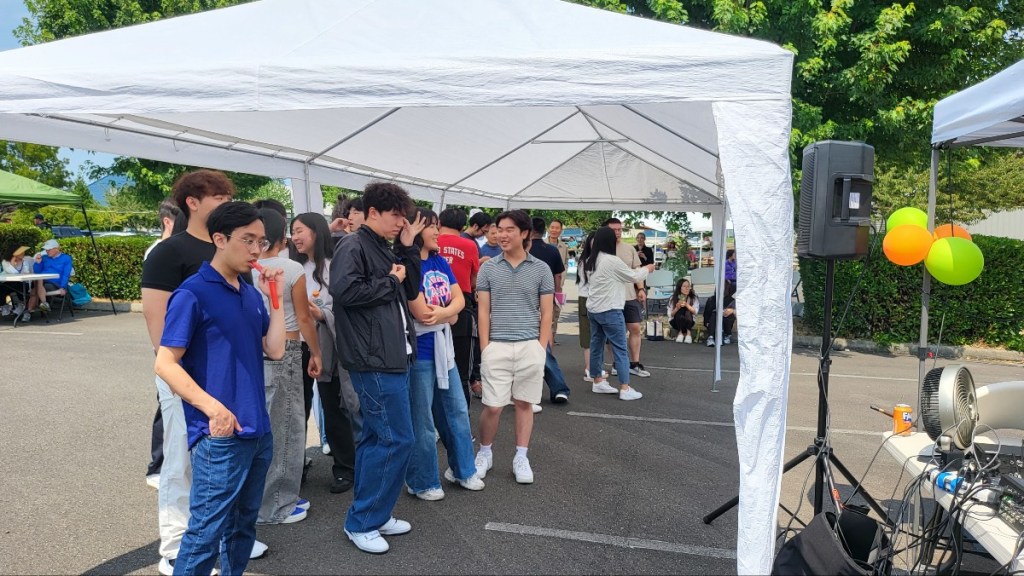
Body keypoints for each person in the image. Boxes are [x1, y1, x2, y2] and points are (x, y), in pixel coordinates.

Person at [141, 170, 269, 574]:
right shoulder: (191, 288)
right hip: (217, 425)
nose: (256, 249)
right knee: (203, 529)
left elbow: (273, 348)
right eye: (248, 240)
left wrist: (277, 297)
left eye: (261, 241)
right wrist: (210, 406)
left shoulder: (248, 291)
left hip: (255, 425)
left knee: (242, 525)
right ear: (220, 239)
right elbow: (164, 358)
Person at [331, 181, 424, 555]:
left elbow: (411, 289)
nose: (401, 223)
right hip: (374, 359)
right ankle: (363, 520)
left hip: (390, 355)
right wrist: (390, 280)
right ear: (372, 212)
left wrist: (407, 250)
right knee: (395, 439)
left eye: (403, 217)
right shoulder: (353, 245)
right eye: (396, 216)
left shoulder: (382, 246)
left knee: (378, 438)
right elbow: (345, 293)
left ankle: (373, 513)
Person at [405, 207, 484, 501]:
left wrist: (446, 314)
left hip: (444, 349)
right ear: (414, 228)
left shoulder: (438, 259)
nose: (438, 232)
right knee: (423, 421)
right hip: (420, 352)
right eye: (431, 226)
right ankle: (422, 480)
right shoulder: (406, 263)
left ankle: (463, 470)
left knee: (457, 411)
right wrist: (447, 315)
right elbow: (421, 312)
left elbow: (460, 298)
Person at [475, 209, 553, 485]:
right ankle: (485, 452)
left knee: (524, 403)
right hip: (497, 345)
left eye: (509, 230)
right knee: (492, 406)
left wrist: (540, 348)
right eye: (499, 229)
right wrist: (485, 348)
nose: (502, 235)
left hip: (529, 345)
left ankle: (521, 456)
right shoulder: (488, 268)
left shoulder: (541, 269)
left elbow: (547, 313)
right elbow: (483, 311)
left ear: (524, 233)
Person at [254, 209, 322, 524]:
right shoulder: (290, 268)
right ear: (281, 237)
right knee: (287, 428)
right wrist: (317, 352)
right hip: (288, 348)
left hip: (257, 351)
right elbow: (304, 317)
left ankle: (271, 497)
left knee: (267, 426)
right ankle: (277, 505)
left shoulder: (245, 268)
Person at [291, 213, 357, 495]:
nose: (294, 237)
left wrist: (321, 313)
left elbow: (345, 307)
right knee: (297, 409)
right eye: (292, 231)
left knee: (333, 408)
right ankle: (294, 467)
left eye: (299, 231)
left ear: (316, 233)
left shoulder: (333, 266)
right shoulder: (293, 266)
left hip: (329, 346)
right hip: (298, 345)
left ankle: (345, 468)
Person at [584, 226, 653, 401]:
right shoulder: (611, 261)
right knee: (620, 348)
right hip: (610, 310)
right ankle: (625, 387)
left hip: (593, 309)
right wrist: (648, 268)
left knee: (596, 345)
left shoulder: (591, 260)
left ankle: (597, 381)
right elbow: (633, 276)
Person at [144, 199, 185, 490]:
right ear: (168, 221)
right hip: (169, 345)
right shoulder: (160, 252)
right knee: (168, 409)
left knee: (173, 412)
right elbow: (154, 309)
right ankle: (157, 467)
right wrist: (163, 353)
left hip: (175, 344)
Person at [437, 208, 481, 408]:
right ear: (463, 227)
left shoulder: (431, 241)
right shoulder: (469, 245)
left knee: (432, 370)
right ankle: (462, 420)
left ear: (439, 223)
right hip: (462, 307)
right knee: (461, 372)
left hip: (430, 307)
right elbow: (474, 279)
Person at [529, 217, 571, 405]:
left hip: (527, 303)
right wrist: (557, 294)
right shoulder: (553, 250)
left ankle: (553, 388)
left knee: (539, 346)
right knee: (546, 337)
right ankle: (557, 388)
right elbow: (558, 276)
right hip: (548, 299)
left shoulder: (523, 250)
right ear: (545, 229)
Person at [604, 218, 649, 378]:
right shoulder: (602, 250)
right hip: (610, 298)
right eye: (613, 230)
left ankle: (635, 364)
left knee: (635, 328)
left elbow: (637, 270)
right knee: (614, 332)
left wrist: (641, 289)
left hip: (629, 296)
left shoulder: (629, 248)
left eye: (619, 229)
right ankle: (616, 364)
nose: (617, 232)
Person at [575, 233, 606, 383]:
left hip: (594, 299)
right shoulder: (587, 261)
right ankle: (589, 368)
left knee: (596, 336)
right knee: (589, 337)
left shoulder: (592, 259)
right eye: (594, 242)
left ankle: (594, 368)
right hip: (588, 299)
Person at [2, 245, 41, 321]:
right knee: (3, 287)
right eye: (21, 252)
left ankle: (21, 306)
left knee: (19, 285)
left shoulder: (26, 260)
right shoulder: (5, 262)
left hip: (24, 283)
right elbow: (13, 273)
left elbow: (35, 260)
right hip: (9, 283)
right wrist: (12, 263)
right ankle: (5, 305)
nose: (23, 253)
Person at [545, 219, 570, 337]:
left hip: (559, 285)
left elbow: (565, 263)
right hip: (544, 285)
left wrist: (562, 279)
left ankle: (552, 336)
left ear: (561, 230)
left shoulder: (563, 246)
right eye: (552, 227)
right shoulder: (542, 244)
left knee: (557, 311)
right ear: (548, 229)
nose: (554, 230)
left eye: (557, 228)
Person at [704, 281, 737, 347]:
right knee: (714, 313)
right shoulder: (711, 299)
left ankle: (726, 335)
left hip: (725, 323)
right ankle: (711, 337)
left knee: (729, 314)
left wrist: (731, 311)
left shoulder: (731, 300)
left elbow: (736, 313)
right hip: (713, 323)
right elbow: (706, 314)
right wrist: (706, 322)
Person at [668, 278, 699, 343]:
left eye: (688, 286)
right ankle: (680, 333)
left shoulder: (693, 297)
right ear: (680, 288)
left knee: (687, 311)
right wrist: (677, 308)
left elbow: (695, 312)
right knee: (680, 310)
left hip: (689, 322)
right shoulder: (673, 298)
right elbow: (670, 315)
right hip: (676, 322)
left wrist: (687, 305)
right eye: (684, 286)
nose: (687, 288)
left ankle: (688, 333)